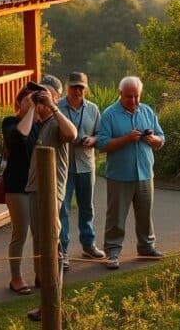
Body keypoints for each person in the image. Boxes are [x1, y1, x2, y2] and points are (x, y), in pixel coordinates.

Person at [96, 75, 165, 270]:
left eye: (136, 96)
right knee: (116, 217)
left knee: (145, 215)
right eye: (129, 97)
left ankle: (146, 247)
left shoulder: (147, 111)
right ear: (120, 94)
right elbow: (101, 144)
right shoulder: (109, 114)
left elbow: (161, 137)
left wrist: (154, 141)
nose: (133, 101)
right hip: (120, 175)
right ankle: (112, 252)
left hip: (145, 173)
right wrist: (126, 139)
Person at [23, 74, 76, 322]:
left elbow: (73, 133)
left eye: (44, 94)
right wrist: (32, 105)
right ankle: (47, 305)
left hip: (51, 193)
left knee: (52, 248)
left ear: (55, 96)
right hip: (35, 192)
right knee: (41, 249)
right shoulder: (39, 123)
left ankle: (54, 306)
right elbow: (18, 133)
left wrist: (53, 106)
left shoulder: (56, 122)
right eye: (38, 94)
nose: (40, 98)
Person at [57, 71, 105, 271]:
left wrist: (92, 140)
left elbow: (100, 134)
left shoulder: (93, 109)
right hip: (64, 165)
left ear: (86, 88)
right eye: (74, 86)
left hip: (86, 164)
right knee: (63, 210)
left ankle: (88, 244)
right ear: (67, 87)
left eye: (81, 87)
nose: (77, 91)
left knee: (87, 207)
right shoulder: (57, 107)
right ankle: (63, 250)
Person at [0, 83, 42, 296]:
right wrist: (31, 109)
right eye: (27, 99)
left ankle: (40, 274)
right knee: (20, 233)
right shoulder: (10, 122)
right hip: (17, 186)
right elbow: (19, 136)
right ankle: (15, 277)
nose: (32, 103)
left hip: (37, 186)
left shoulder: (40, 125)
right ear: (18, 102)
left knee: (40, 233)